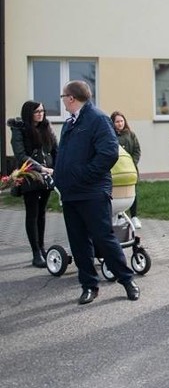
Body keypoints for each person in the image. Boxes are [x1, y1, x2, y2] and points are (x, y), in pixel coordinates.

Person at [53, 81, 140, 305]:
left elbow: (108, 154)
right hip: (71, 193)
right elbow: (65, 155)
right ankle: (89, 285)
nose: (62, 100)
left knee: (104, 237)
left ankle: (127, 279)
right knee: (79, 242)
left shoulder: (97, 119)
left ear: (71, 98)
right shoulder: (70, 123)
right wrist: (59, 178)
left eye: (63, 96)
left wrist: (84, 175)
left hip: (92, 192)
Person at [7, 101, 57, 267]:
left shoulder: (46, 128)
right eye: (36, 112)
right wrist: (41, 168)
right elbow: (21, 155)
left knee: (42, 213)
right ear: (29, 113)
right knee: (32, 213)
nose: (40, 114)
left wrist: (56, 167)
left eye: (42, 111)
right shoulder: (19, 130)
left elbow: (55, 149)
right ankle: (35, 252)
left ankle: (42, 248)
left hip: (47, 176)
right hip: (30, 175)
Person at [110, 111, 142, 229]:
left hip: (130, 169)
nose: (120, 124)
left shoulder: (130, 135)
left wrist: (132, 162)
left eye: (121, 121)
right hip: (116, 170)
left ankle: (134, 216)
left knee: (132, 192)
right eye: (117, 122)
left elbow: (137, 150)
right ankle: (117, 216)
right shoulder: (110, 135)